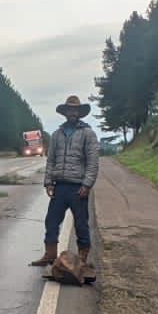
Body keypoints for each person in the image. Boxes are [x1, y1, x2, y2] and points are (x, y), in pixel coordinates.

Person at [31, 95, 100, 268]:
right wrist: (48, 182)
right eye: (69, 109)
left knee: (81, 224)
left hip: (78, 188)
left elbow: (93, 162)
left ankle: (82, 258)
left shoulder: (88, 134)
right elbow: (51, 160)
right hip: (59, 187)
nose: (72, 112)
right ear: (65, 112)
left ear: (80, 113)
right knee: (51, 221)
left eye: (75, 110)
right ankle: (50, 254)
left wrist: (87, 185)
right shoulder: (56, 135)